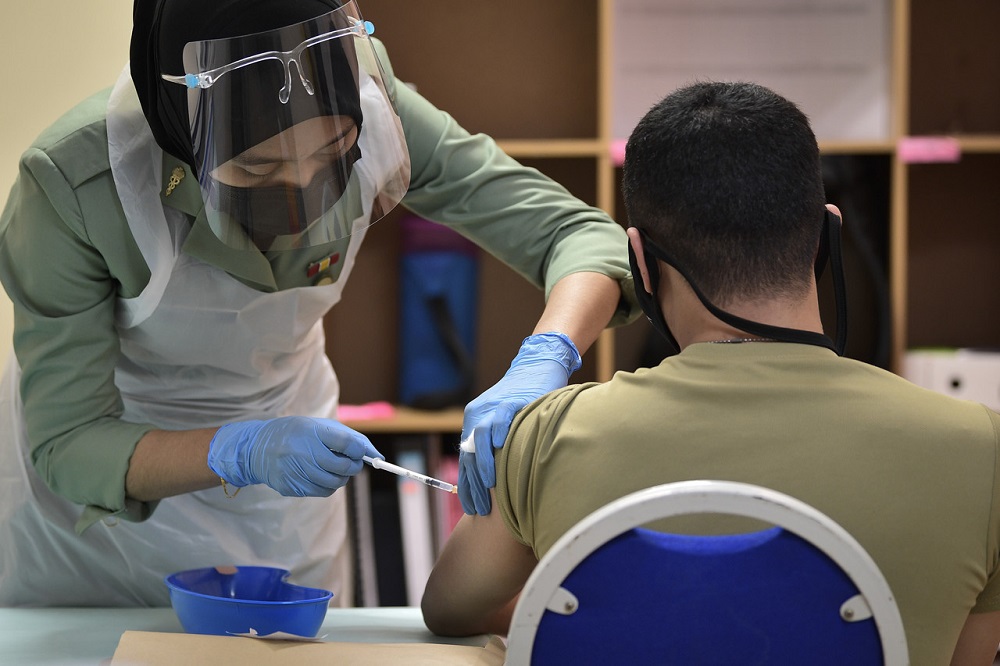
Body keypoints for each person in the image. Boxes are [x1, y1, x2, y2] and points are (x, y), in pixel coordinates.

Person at [0, 0, 637, 606]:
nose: (302, 193)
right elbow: (72, 443)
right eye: (256, 171)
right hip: (106, 510)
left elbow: (578, 234)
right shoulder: (76, 184)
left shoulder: (376, 106)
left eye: (333, 154)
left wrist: (546, 356)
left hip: (289, 477)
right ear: (180, 136)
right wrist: (240, 450)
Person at [420, 81, 1000, 665]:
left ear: (640, 262)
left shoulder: (547, 437)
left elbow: (448, 609)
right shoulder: (982, 448)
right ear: (827, 236)